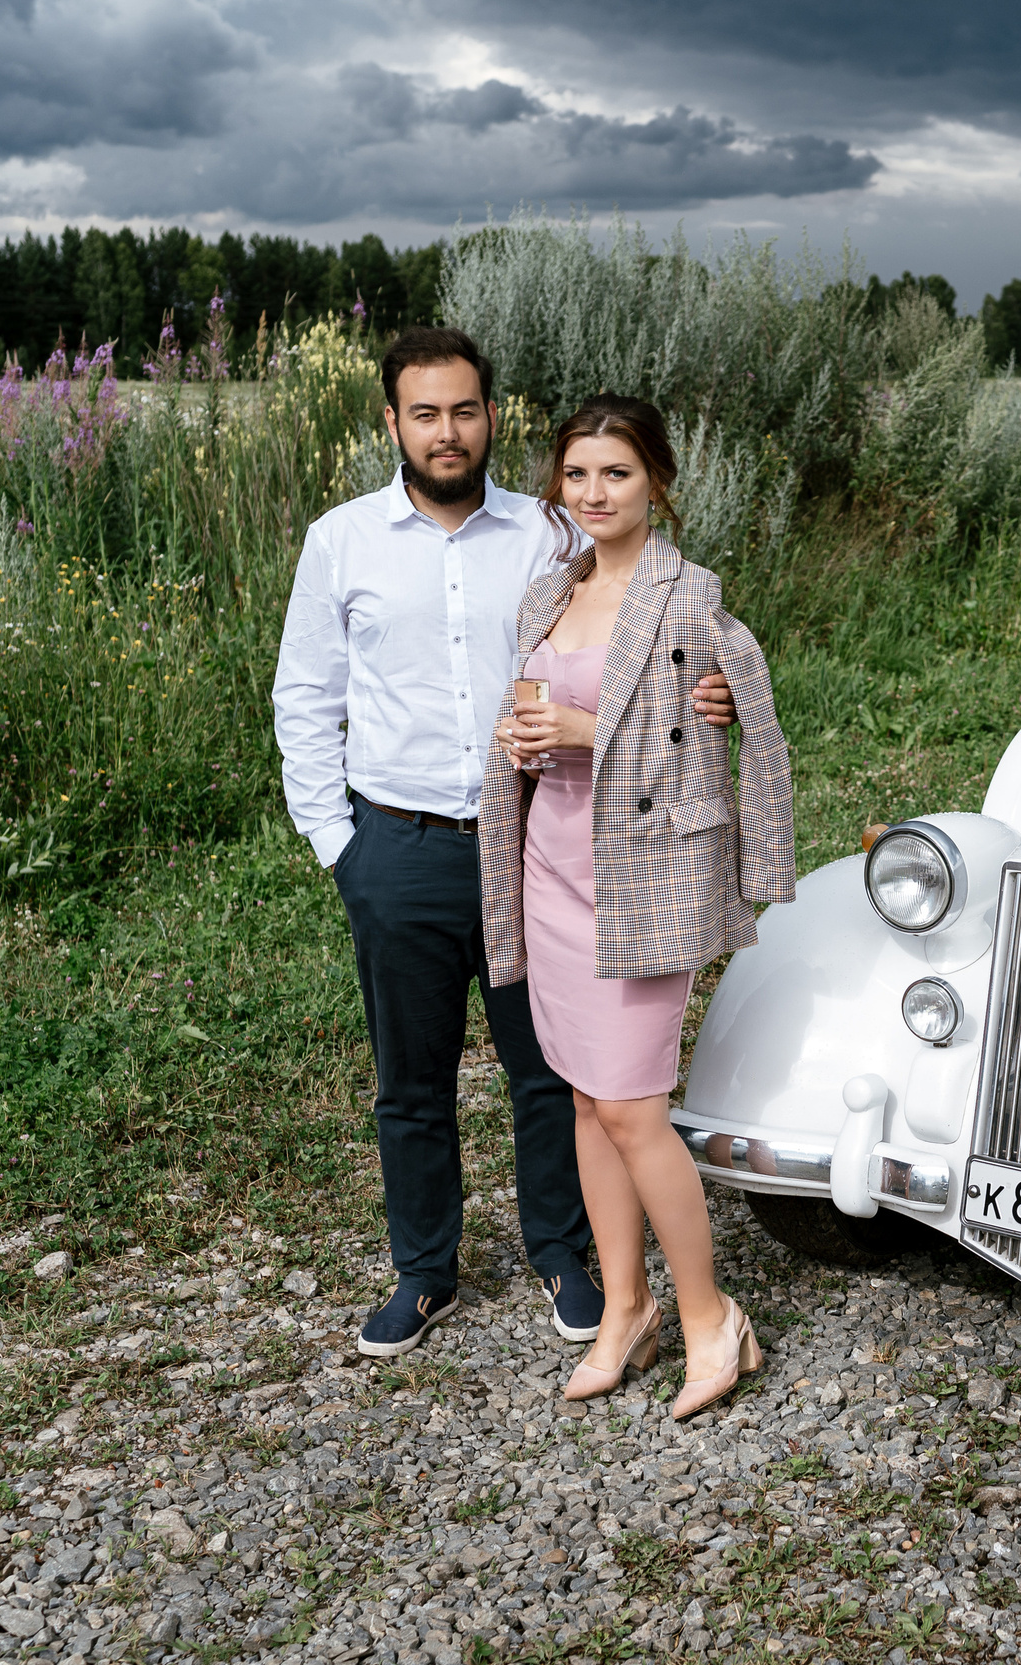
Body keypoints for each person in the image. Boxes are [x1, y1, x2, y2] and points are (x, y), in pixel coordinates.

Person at [272, 327, 737, 1359]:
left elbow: (648, 624)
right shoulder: (340, 541)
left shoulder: (548, 534)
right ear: (390, 422)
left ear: (492, 417)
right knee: (411, 1079)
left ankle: (565, 1256)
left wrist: (708, 691)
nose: (448, 432)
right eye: (425, 413)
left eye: (466, 410)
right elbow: (304, 697)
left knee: (550, 1069)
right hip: (394, 848)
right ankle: (425, 1272)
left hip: (534, 847)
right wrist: (337, 845)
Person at [479, 393, 795, 1417]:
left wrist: (582, 728)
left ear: (655, 480)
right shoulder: (546, 595)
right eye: (576, 475)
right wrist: (522, 738)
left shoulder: (688, 597)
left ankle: (709, 1315)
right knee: (580, 1096)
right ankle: (626, 1310)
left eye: (615, 473)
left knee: (632, 1107)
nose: (594, 493)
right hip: (553, 869)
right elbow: (531, 714)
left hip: (646, 874)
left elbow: (745, 722)